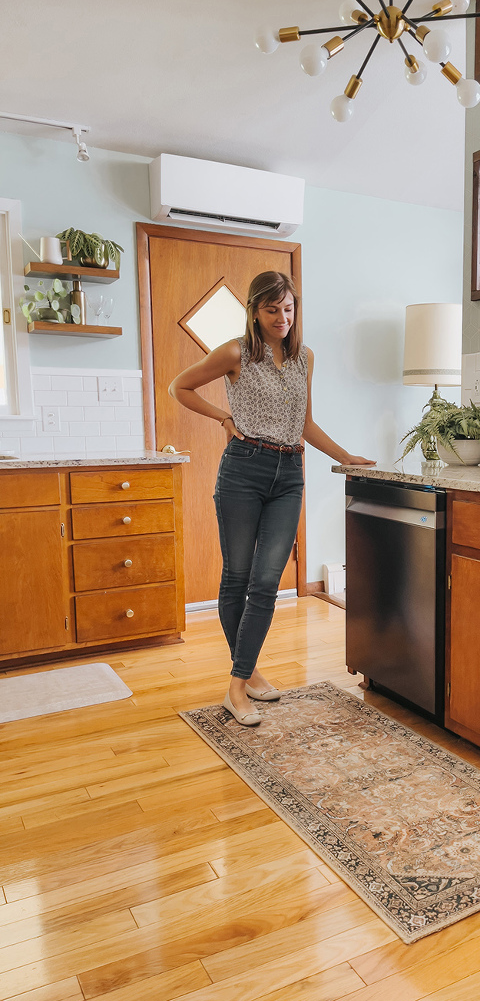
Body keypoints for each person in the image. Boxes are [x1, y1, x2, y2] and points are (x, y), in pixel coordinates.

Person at [169, 270, 374, 726]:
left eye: (288, 308)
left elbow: (304, 422)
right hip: (243, 468)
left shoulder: (305, 359)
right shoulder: (234, 353)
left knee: (266, 582)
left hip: (289, 475)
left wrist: (346, 456)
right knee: (238, 577)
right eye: (271, 309)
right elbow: (178, 387)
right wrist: (223, 416)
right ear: (254, 312)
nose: (282, 317)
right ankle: (248, 677)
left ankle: (237, 683)